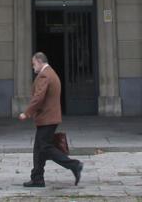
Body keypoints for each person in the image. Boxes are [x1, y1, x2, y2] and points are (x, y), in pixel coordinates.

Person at [18, 51, 82, 187]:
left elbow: (38, 97)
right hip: (49, 117)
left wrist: (27, 112)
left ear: (40, 62)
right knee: (39, 149)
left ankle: (74, 165)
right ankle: (37, 178)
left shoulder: (44, 75)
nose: (33, 67)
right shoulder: (51, 72)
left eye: (33, 64)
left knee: (45, 147)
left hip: (47, 118)